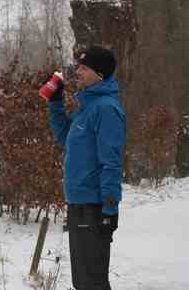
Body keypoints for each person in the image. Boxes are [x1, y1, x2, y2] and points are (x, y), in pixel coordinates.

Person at [47, 45, 126, 290]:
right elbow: (66, 138)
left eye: (83, 67)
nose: (77, 71)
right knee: (83, 281)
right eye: (78, 66)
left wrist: (109, 209)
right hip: (78, 203)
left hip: (94, 207)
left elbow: (111, 163)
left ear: (99, 74)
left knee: (92, 281)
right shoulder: (88, 107)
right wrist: (55, 101)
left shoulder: (106, 109)